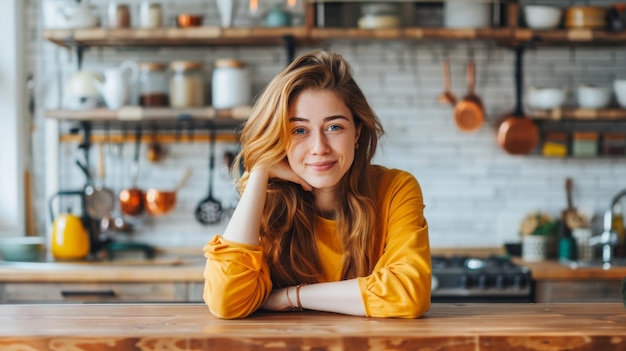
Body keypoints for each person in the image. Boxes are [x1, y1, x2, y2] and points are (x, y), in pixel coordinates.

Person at [203, 50, 431, 319]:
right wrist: (260, 170)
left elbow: (408, 293)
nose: (319, 148)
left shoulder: (395, 189)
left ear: (357, 132)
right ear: (279, 137)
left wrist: (291, 296)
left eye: (334, 127)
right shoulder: (264, 195)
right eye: (299, 131)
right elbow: (226, 302)